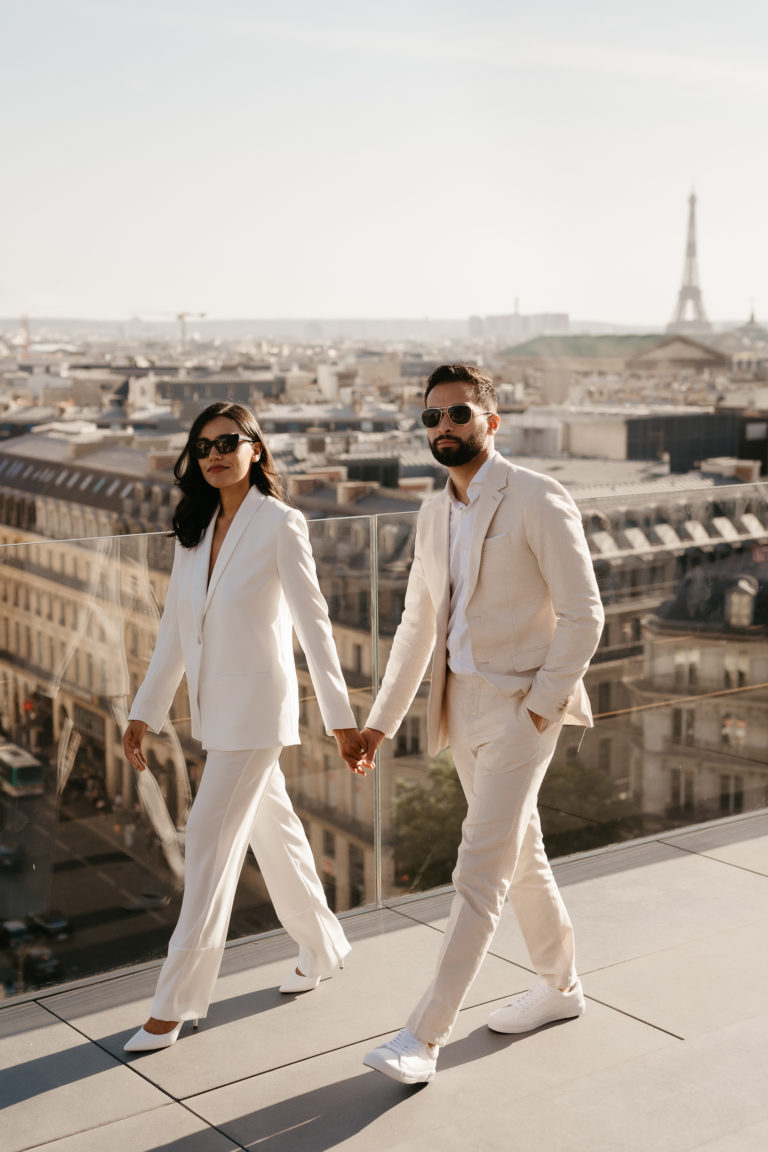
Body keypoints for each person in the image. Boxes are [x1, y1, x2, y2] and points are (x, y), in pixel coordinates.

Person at [358, 364, 604, 1084]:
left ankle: (424, 1037)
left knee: (478, 869)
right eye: (432, 419)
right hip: (458, 708)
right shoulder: (433, 513)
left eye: (458, 414)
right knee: (517, 855)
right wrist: (379, 724)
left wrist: (539, 706)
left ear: (492, 422)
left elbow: (586, 615)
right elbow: (415, 626)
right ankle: (561, 989)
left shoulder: (535, 496)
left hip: (522, 707)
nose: (444, 428)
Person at [122, 401, 367, 1052]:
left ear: (257, 449)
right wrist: (144, 711)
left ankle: (173, 1004)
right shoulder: (194, 531)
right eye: (203, 447)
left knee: (205, 841)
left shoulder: (280, 524)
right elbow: (176, 630)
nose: (215, 455)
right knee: (275, 832)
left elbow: (314, 628)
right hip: (215, 713)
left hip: (258, 714)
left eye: (229, 442)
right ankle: (322, 946)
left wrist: (343, 723)